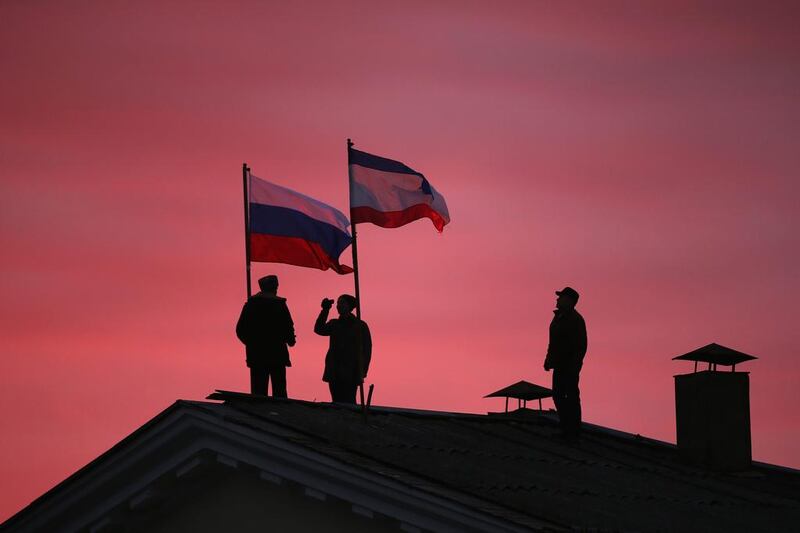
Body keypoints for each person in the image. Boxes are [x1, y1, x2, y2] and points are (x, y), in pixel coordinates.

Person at [236, 275, 296, 397]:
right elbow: (288, 326)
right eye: (275, 287)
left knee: (259, 392)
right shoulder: (279, 305)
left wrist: (251, 343)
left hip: (257, 354)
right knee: (279, 393)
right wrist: (290, 340)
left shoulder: (251, 305)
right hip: (276, 354)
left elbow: (240, 330)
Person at [544, 286, 587, 441]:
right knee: (558, 395)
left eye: (560, 297)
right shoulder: (558, 318)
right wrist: (548, 359)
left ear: (569, 301)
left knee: (571, 397)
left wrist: (575, 367)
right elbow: (553, 342)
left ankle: (573, 431)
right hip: (559, 365)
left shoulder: (576, 320)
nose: (557, 299)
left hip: (569, 367)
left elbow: (581, 346)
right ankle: (565, 428)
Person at [314, 294, 372, 404]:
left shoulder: (360, 326)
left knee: (349, 402)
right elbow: (319, 329)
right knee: (336, 401)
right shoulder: (334, 324)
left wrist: (363, 370)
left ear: (349, 306)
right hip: (334, 369)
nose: (338, 306)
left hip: (351, 370)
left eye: (342, 303)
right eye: (338, 303)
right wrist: (325, 310)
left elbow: (367, 350)